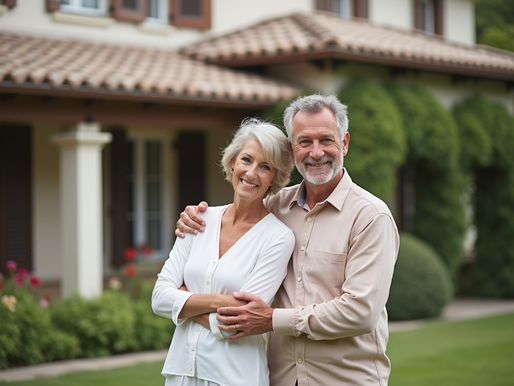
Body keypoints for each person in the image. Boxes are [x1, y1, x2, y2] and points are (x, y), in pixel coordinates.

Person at [176, 94, 400, 386]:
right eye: (304, 142)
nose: (316, 152)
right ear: (292, 151)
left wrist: (272, 320)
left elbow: (360, 312)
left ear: (344, 143)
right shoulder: (275, 208)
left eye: (326, 140)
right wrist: (196, 218)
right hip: (281, 379)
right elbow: (234, 220)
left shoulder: (371, 217)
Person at [152, 118, 296, 386]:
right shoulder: (199, 219)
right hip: (181, 372)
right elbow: (159, 298)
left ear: (274, 178)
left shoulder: (278, 238)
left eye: (265, 166)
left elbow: (236, 323)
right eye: (246, 159)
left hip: (234, 377)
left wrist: (183, 300)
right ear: (232, 162)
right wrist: (222, 301)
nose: (251, 173)